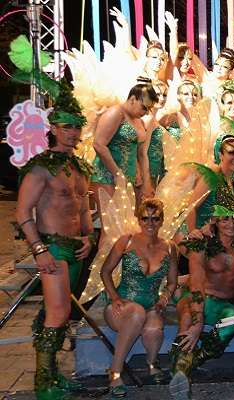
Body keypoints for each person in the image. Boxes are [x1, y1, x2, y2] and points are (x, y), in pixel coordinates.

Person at [15, 78, 95, 400]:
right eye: (66, 126)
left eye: (77, 127)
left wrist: (89, 238)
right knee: (58, 313)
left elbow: (85, 208)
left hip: (77, 249)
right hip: (53, 247)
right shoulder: (40, 168)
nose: (72, 133)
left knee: (58, 313)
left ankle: (53, 376)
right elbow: (22, 212)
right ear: (53, 128)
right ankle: (43, 384)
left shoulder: (80, 167)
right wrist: (39, 251)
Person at [169, 194, 234, 400]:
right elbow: (195, 284)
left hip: (223, 304)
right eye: (225, 219)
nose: (231, 224)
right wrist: (198, 321)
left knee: (233, 316)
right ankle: (180, 379)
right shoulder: (201, 244)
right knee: (187, 317)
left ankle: (187, 365)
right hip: (197, 298)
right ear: (215, 220)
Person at [101, 199, 178, 397]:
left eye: (155, 218)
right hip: (122, 308)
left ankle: (152, 364)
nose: (150, 223)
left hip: (152, 306)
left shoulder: (170, 247)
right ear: (138, 219)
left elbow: (172, 282)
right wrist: (115, 297)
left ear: (162, 220)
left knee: (153, 328)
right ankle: (115, 372)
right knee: (136, 313)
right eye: (145, 218)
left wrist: (164, 297)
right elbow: (105, 272)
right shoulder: (126, 240)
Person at [92, 83, 157, 200]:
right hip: (107, 178)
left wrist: (146, 181)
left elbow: (141, 154)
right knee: (113, 218)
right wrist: (117, 174)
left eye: (149, 109)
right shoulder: (116, 113)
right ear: (132, 99)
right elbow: (98, 144)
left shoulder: (139, 121)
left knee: (129, 218)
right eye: (144, 107)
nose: (146, 112)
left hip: (128, 181)